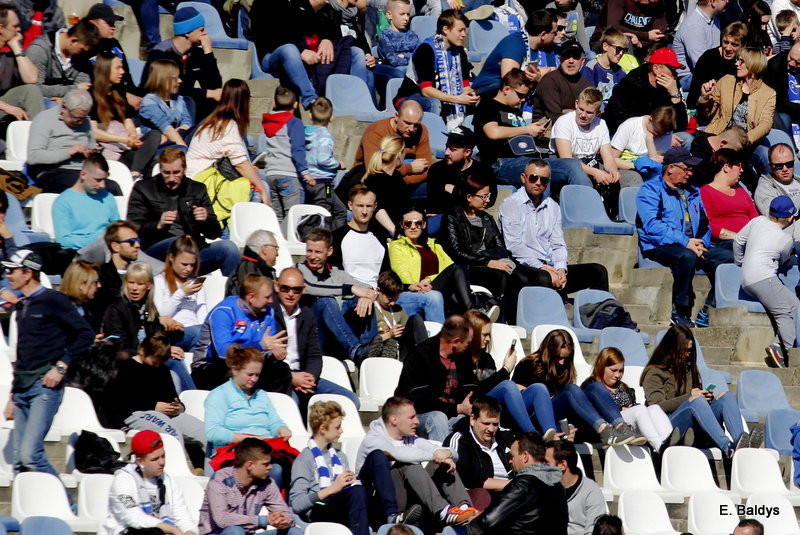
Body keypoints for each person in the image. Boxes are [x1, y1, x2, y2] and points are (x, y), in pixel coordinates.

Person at [5, 249, 93, 476]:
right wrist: (13, 396)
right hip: (23, 388)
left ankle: (67, 506)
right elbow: (23, 354)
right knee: (20, 463)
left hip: (44, 387)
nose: (8, 275)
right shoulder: (23, 306)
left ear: (28, 273)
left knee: (30, 456)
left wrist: (62, 366)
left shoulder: (54, 300)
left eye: (13, 271)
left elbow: (85, 334)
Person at [637, 146, 735, 327]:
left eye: (691, 169)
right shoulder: (650, 190)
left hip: (693, 245)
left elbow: (705, 223)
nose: (690, 173)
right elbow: (652, 226)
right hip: (660, 245)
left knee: (733, 255)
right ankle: (680, 310)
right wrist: (685, 242)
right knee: (686, 256)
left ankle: (708, 308)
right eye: (686, 168)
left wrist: (700, 244)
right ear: (671, 168)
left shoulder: (693, 191)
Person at [499, 159, 609, 320]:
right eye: (533, 178)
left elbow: (558, 244)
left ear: (548, 182)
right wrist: (543, 268)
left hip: (550, 268)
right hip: (523, 266)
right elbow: (514, 246)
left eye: (544, 180)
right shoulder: (511, 204)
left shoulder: (553, 207)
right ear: (523, 178)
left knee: (598, 271)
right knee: (543, 278)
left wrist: (561, 269)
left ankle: (602, 319)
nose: (538, 183)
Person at [355, 396, 479, 527]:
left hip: (409, 500)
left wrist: (445, 454)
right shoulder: (373, 440)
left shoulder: (410, 438)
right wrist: (434, 454)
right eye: (411, 417)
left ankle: (464, 509)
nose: (417, 421)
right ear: (394, 419)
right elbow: (400, 454)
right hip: (379, 503)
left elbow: (450, 452)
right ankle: (442, 511)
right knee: (408, 463)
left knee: (440, 464)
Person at [332, 185, 444, 324]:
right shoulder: (337, 237)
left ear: (375, 206)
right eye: (360, 206)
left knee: (433, 297)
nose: (365, 211)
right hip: (353, 296)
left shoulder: (379, 237)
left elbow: (386, 275)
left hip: (382, 295)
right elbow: (335, 276)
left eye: (369, 206)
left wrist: (408, 286)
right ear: (350, 205)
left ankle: (438, 342)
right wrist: (362, 293)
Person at [513, 329, 644, 447]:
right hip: (539, 418)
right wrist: (545, 399)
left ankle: (621, 426)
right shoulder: (528, 365)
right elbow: (518, 402)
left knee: (596, 386)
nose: (562, 362)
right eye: (558, 357)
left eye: (566, 358)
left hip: (561, 417)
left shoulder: (565, 368)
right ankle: (604, 430)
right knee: (572, 390)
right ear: (548, 352)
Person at [127, 148, 241, 277]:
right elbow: (131, 227)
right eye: (166, 173)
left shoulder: (197, 189)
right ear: (160, 170)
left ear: (185, 170)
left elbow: (214, 233)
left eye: (176, 173)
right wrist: (157, 224)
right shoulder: (144, 189)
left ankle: (235, 294)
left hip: (193, 253)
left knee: (228, 248)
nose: (171, 178)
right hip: (156, 252)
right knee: (179, 242)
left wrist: (206, 219)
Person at [642, 325, 751, 455]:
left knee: (725, 396)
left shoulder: (689, 369)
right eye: (683, 350)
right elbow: (656, 407)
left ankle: (741, 443)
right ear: (671, 348)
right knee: (697, 401)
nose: (687, 355)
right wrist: (690, 397)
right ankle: (727, 446)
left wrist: (707, 398)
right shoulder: (654, 373)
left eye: (690, 351)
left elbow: (695, 401)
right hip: (670, 428)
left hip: (696, 428)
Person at [472, 69, 587, 191]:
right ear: (506, 90)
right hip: (500, 163)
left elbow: (516, 136)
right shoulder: (487, 105)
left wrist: (536, 134)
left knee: (572, 164)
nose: (523, 100)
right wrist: (527, 129)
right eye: (520, 95)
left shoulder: (515, 110)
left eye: (525, 96)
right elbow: (493, 133)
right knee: (547, 172)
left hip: (527, 160)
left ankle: (588, 204)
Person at [271, 267, 361, 407]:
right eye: (285, 288)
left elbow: (314, 354)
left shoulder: (307, 314)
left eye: (296, 290)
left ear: (304, 290)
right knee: (292, 404)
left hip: (304, 375)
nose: (290, 294)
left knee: (351, 401)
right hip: (278, 378)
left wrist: (310, 378)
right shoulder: (267, 313)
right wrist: (291, 377)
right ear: (276, 286)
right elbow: (264, 359)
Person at [204, 345, 291, 486]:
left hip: (263, 452)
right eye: (250, 374)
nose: (254, 379)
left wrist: (281, 429)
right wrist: (250, 440)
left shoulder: (261, 395)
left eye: (257, 375)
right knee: (273, 471)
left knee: (290, 465)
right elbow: (213, 432)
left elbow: (274, 422)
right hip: (235, 454)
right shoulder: (219, 394)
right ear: (235, 370)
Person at [101, 332, 206, 448]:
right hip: (136, 414)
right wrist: (153, 406)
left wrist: (178, 406)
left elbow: (171, 395)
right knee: (172, 436)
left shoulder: (162, 369)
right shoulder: (125, 369)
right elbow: (120, 403)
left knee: (207, 434)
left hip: (166, 413)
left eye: (161, 362)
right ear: (142, 351)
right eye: (155, 361)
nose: (157, 366)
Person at [463, 309, 558, 436]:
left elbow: (493, 385)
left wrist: (506, 371)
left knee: (538, 388)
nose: (488, 339)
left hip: (497, 407)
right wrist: (506, 369)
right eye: (484, 334)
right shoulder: (460, 359)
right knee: (508, 386)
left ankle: (552, 435)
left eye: (489, 334)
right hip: (476, 406)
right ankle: (532, 435)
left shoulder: (486, 359)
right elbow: (475, 392)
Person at [190, 274, 287, 390]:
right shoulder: (224, 312)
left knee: (281, 370)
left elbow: (269, 345)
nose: (271, 301)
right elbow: (224, 353)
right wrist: (261, 345)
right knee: (238, 375)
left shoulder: (268, 312)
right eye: (267, 297)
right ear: (251, 297)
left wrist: (275, 352)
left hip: (249, 366)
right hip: (212, 367)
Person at [734, 195, 798, 367]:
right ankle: (789, 353)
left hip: (746, 279)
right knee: (784, 312)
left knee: (795, 305)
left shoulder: (757, 221)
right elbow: (784, 260)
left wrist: (740, 262)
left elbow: (738, 240)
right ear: (790, 218)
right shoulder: (785, 239)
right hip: (763, 278)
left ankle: (778, 345)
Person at [297, 227, 377, 364]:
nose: (312, 256)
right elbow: (312, 287)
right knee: (326, 301)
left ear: (329, 251)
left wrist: (367, 297)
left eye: (317, 252)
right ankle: (355, 350)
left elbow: (368, 289)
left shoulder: (336, 273)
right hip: (313, 336)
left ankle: (368, 349)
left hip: (334, 337)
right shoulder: (299, 269)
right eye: (309, 251)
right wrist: (350, 289)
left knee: (362, 300)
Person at [186, 79, 266, 215]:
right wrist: (263, 190)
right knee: (257, 191)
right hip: (201, 182)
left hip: (201, 178)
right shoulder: (227, 126)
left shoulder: (213, 121)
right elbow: (240, 164)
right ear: (243, 101)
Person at [290, 400, 370, 534]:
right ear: (322, 428)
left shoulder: (340, 456)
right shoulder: (304, 459)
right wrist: (332, 488)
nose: (341, 430)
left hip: (339, 507)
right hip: (318, 509)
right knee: (357, 493)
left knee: (358, 490)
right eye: (337, 427)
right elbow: (296, 504)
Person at [466, 432, 569, 535]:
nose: (510, 461)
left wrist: (472, 523)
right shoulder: (557, 485)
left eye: (512, 456)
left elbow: (487, 522)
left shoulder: (523, 484)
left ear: (525, 456)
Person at [443, 173, 515, 316]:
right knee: (502, 275)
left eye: (488, 196)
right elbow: (457, 252)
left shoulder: (487, 219)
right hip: (468, 267)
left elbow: (501, 248)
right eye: (484, 197)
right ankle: (490, 311)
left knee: (518, 275)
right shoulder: (453, 218)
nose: (488, 200)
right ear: (469, 197)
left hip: (490, 263)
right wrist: (487, 261)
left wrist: (490, 258)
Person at [101, 429, 197, 535]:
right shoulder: (122, 481)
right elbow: (132, 516)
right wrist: (172, 529)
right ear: (140, 461)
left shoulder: (168, 481)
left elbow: (182, 516)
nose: (162, 462)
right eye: (155, 459)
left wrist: (189, 531)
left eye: (163, 456)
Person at [393, 9, 477, 128]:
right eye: (460, 30)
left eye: (465, 30)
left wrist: (470, 94)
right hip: (411, 98)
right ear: (445, 29)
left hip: (446, 97)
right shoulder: (426, 50)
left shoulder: (460, 52)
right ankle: (433, 141)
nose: (464, 34)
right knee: (434, 103)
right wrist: (457, 99)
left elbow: (465, 85)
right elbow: (426, 90)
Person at [582, 348, 678, 451]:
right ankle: (660, 448)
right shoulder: (591, 386)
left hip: (630, 427)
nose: (617, 375)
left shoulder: (624, 388)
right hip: (609, 426)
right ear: (602, 367)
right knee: (640, 409)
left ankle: (670, 442)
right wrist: (620, 408)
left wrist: (632, 407)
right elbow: (589, 411)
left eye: (621, 371)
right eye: (613, 370)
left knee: (654, 408)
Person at [550, 87, 627, 216]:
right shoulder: (564, 122)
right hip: (563, 165)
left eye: (589, 112)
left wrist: (613, 171)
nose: (583, 115)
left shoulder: (601, 125)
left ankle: (615, 217)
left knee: (628, 179)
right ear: (576, 104)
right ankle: (588, 217)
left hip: (590, 164)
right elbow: (567, 160)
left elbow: (608, 158)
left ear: (597, 113)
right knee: (582, 177)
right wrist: (596, 173)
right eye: (581, 109)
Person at [200, 438, 301, 535]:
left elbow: (284, 511)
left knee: (294, 532)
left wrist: (283, 520)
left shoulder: (267, 482)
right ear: (249, 465)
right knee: (235, 531)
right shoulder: (220, 481)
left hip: (248, 533)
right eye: (265, 464)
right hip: (218, 533)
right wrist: (263, 520)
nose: (270, 467)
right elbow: (222, 519)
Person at [389, 205, 472, 315]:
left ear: (424, 225)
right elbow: (400, 270)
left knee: (458, 267)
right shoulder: (397, 246)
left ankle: (471, 311)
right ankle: (473, 312)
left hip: (435, 286)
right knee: (457, 268)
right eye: (408, 224)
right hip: (415, 289)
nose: (413, 227)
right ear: (401, 225)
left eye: (418, 223)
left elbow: (448, 267)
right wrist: (415, 285)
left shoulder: (434, 245)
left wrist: (428, 279)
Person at [91, 51, 159, 180]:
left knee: (155, 134)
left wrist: (132, 137)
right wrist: (124, 140)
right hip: (112, 148)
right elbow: (95, 133)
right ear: (105, 70)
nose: (122, 71)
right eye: (118, 68)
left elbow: (128, 121)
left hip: (127, 143)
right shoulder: (92, 95)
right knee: (152, 161)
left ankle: (135, 173)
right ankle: (137, 175)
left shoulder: (119, 91)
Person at [145, 6, 222, 120]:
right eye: (201, 30)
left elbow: (214, 86)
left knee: (216, 103)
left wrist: (208, 53)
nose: (205, 34)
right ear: (187, 33)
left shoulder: (197, 53)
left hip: (186, 104)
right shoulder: (161, 52)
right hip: (162, 104)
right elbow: (173, 87)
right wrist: (208, 93)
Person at [697, 47, 776, 154]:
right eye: (737, 60)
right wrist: (704, 97)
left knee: (763, 154)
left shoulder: (768, 93)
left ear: (753, 64)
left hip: (745, 143)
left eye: (741, 61)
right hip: (718, 135)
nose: (736, 64)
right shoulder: (726, 80)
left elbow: (765, 124)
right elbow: (706, 113)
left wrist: (742, 140)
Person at [443, 396, 513, 511]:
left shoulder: (507, 437)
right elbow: (468, 480)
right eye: (486, 423)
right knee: (482, 495)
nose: (491, 429)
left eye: (495, 424)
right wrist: (514, 484)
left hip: (511, 494)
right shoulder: (459, 441)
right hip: (475, 497)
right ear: (473, 419)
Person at [471, 10, 559, 98]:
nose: (557, 35)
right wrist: (538, 76)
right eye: (554, 33)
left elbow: (554, 74)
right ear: (543, 34)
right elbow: (509, 79)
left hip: (522, 91)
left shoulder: (548, 47)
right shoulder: (514, 43)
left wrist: (541, 77)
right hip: (491, 88)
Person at [26, 88, 98, 193]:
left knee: (113, 187)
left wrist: (91, 153)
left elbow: (92, 146)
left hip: (83, 171)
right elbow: (33, 156)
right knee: (83, 185)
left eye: (83, 118)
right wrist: (69, 152)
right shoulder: (44, 119)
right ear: (64, 107)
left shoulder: (85, 121)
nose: (80, 122)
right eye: (76, 118)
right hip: (53, 172)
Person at [603, 48, 688, 135]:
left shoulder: (671, 85)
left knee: (685, 137)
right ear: (656, 68)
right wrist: (660, 135)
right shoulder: (632, 84)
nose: (675, 74)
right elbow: (624, 120)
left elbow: (681, 127)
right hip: (625, 134)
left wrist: (675, 95)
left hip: (660, 134)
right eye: (672, 69)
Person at [262, 85, 315, 223]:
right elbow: (297, 149)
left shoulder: (268, 121)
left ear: (274, 103)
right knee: (292, 217)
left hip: (271, 173)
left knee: (277, 216)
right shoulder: (294, 122)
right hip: (288, 174)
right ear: (296, 104)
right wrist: (305, 172)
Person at [352, 99, 432, 187]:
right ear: (397, 116)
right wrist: (409, 168)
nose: (412, 129)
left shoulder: (421, 130)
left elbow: (426, 168)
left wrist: (401, 182)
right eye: (407, 123)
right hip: (372, 183)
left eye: (416, 125)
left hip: (404, 182)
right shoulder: (376, 132)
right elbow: (374, 170)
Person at [425, 126, 496, 222]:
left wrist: (455, 190)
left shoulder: (483, 171)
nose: (446, 152)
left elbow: (489, 200)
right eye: (446, 147)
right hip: (443, 221)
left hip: (473, 221)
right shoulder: (437, 169)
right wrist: (469, 196)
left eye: (452, 149)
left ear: (467, 152)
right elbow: (436, 202)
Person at [53, 153, 119, 252]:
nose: (103, 185)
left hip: (111, 249)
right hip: (81, 253)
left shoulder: (107, 197)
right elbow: (63, 241)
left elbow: (118, 227)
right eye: (98, 180)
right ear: (83, 174)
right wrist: (97, 239)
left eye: (104, 179)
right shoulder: (63, 202)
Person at [153, 236, 208, 351]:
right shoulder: (159, 280)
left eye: (192, 265)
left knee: (204, 333)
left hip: (194, 331)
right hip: (172, 332)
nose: (188, 269)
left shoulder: (195, 282)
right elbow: (161, 314)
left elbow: (202, 314)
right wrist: (181, 293)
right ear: (171, 257)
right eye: (184, 264)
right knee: (199, 333)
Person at [25, 18, 99, 98]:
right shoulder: (40, 49)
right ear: (73, 41)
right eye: (82, 50)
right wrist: (73, 89)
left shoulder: (81, 55)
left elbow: (83, 87)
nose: (84, 54)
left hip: (70, 102)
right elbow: (35, 89)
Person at [544, 440, 606, 535]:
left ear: (562, 465)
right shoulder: (543, 488)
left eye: (546, 464)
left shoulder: (591, 491)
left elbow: (593, 531)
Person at [304, 97, 347, 229]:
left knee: (338, 210)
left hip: (308, 181)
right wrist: (338, 164)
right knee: (326, 212)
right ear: (331, 118)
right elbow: (323, 159)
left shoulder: (305, 132)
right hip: (324, 184)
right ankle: (326, 240)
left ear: (310, 115)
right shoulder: (325, 136)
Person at [699, 148, 758, 244]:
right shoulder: (705, 192)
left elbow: (755, 218)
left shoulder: (740, 191)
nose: (742, 170)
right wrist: (738, 237)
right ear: (726, 167)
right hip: (725, 243)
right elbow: (707, 225)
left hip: (750, 241)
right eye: (739, 165)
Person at [367, 270, 429, 360]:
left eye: (395, 299)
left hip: (401, 349)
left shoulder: (398, 309)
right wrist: (389, 334)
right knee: (389, 342)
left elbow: (408, 334)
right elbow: (368, 343)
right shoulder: (371, 309)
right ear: (378, 291)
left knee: (416, 319)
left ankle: (427, 356)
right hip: (381, 351)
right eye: (389, 299)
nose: (392, 303)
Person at [687, 22, 747, 109]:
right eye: (726, 42)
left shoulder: (744, 62)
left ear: (743, 46)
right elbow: (694, 93)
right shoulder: (709, 58)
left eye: (734, 45)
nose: (728, 48)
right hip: (705, 108)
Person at [531, 40, 592, 125]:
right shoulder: (549, 81)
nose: (571, 61)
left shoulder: (587, 85)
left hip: (579, 131)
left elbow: (593, 114)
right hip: (548, 133)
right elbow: (556, 117)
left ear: (582, 61)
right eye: (567, 56)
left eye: (575, 56)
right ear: (560, 59)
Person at [0, 3, 43, 124]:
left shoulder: (9, 49)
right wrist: (8, 108)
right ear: (1, 28)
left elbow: (32, 79)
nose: (19, 29)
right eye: (15, 26)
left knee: (31, 90)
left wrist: (16, 48)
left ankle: (38, 137)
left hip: (3, 101)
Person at [360, 134, 410, 235]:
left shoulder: (397, 176)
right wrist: (396, 232)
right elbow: (377, 208)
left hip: (404, 225)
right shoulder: (375, 178)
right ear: (399, 154)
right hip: (384, 232)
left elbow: (406, 204)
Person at [673, 0, 728, 89]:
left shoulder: (715, 21)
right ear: (712, 1)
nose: (728, 1)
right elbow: (702, 65)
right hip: (689, 78)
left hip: (707, 73)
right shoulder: (694, 25)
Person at [610, 106, 676, 180]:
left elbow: (655, 163)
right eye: (656, 131)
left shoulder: (666, 133)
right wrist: (638, 166)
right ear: (650, 119)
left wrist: (650, 141)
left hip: (649, 170)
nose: (658, 135)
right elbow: (611, 159)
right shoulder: (630, 125)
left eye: (662, 134)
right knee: (636, 178)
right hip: (625, 167)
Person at [139, 59, 193, 148]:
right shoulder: (149, 102)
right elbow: (165, 127)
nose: (180, 81)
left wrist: (177, 131)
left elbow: (187, 121)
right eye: (175, 78)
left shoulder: (178, 99)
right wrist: (185, 151)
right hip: (158, 146)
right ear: (163, 79)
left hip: (177, 138)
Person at [375, 0, 419, 105]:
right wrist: (412, 59)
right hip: (394, 70)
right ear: (389, 15)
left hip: (412, 68)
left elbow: (420, 56)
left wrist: (405, 55)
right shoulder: (385, 36)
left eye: (408, 14)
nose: (406, 18)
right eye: (402, 14)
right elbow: (393, 61)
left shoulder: (412, 35)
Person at [589, 0, 667, 53]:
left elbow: (660, 36)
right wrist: (645, 35)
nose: (648, 3)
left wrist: (640, 43)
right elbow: (612, 27)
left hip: (639, 46)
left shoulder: (658, 6)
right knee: (625, 40)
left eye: (653, 2)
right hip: (604, 41)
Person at [580, 29, 627, 109]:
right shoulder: (590, 67)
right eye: (618, 49)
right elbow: (587, 98)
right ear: (605, 46)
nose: (621, 53)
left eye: (624, 50)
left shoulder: (621, 72)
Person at [764, 41, 800, 145]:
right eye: (791, 58)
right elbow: (778, 102)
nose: (792, 63)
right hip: (784, 110)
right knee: (784, 119)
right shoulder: (775, 66)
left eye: (798, 62)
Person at [226, 230, 278, 297]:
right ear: (264, 249)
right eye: (276, 249)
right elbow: (254, 299)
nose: (277, 254)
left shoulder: (261, 268)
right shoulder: (247, 269)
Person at [754, 143, 800, 215]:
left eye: (789, 164)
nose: (785, 169)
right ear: (770, 166)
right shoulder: (764, 189)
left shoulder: (798, 181)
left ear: (794, 162)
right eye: (779, 166)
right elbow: (776, 216)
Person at [60, 259, 103, 332]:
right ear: (82, 285)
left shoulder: (87, 309)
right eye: (95, 282)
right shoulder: (61, 310)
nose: (99, 285)